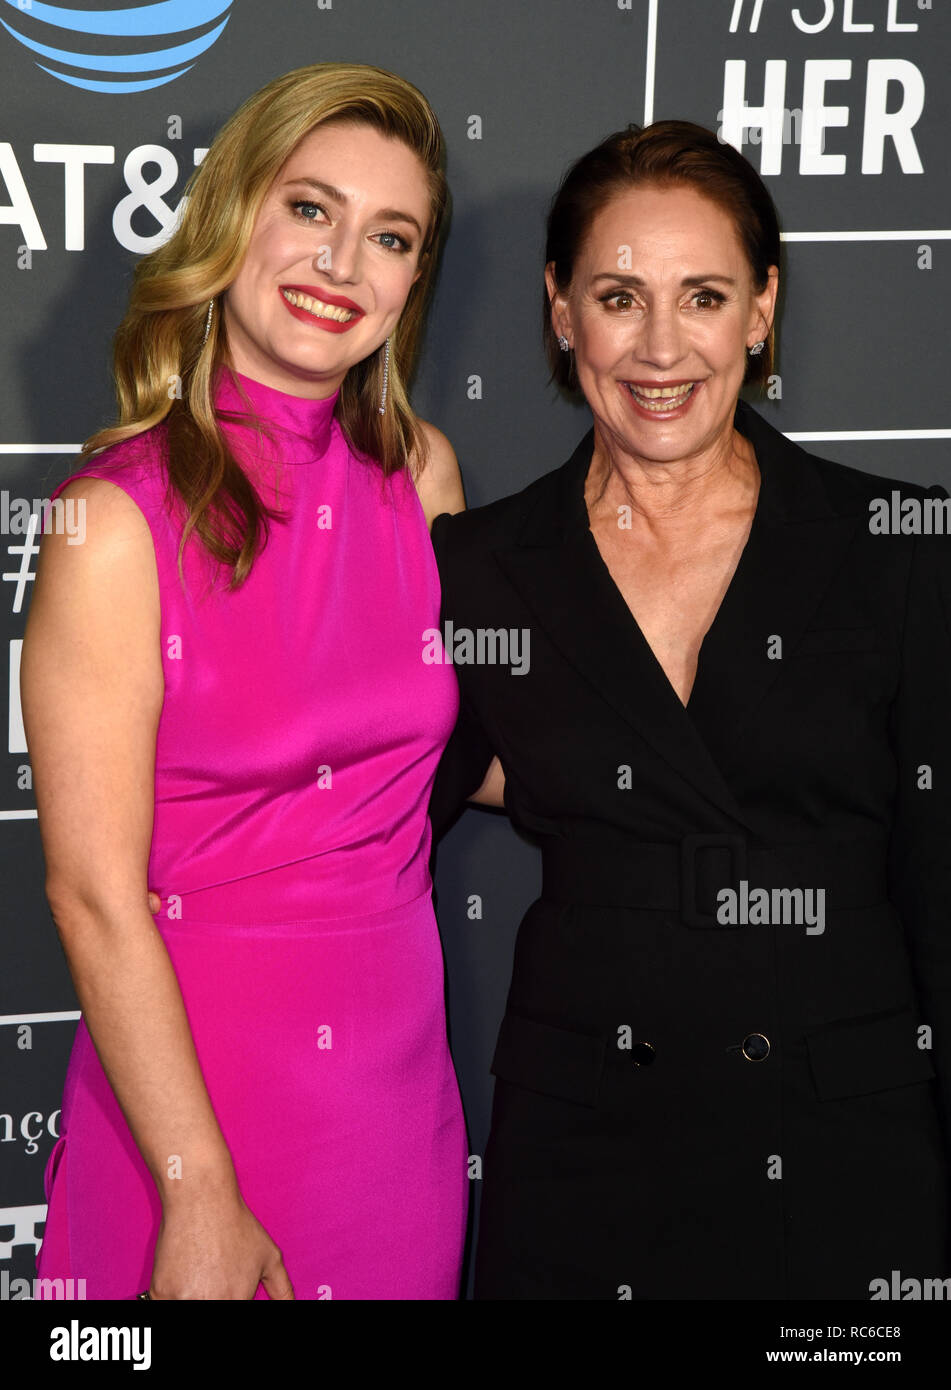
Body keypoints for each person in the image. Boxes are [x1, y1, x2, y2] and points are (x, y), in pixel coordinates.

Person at [429, 120, 951, 1299]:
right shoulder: (481, 565)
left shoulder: (896, 547)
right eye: (620, 295)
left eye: (704, 295)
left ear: (761, 310)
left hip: (844, 1155)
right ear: (561, 310)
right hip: (584, 1164)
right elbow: (373, 790)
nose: (661, 347)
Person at [23, 62, 468, 1301]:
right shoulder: (111, 525)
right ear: (233, 216)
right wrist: (198, 1190)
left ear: (411, 282)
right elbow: (92, 892)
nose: (342, 265)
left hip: (398, 1118)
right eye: (310, 209)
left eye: (390, 237)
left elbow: (463, 748)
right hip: (193, 1119)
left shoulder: (422, 474)